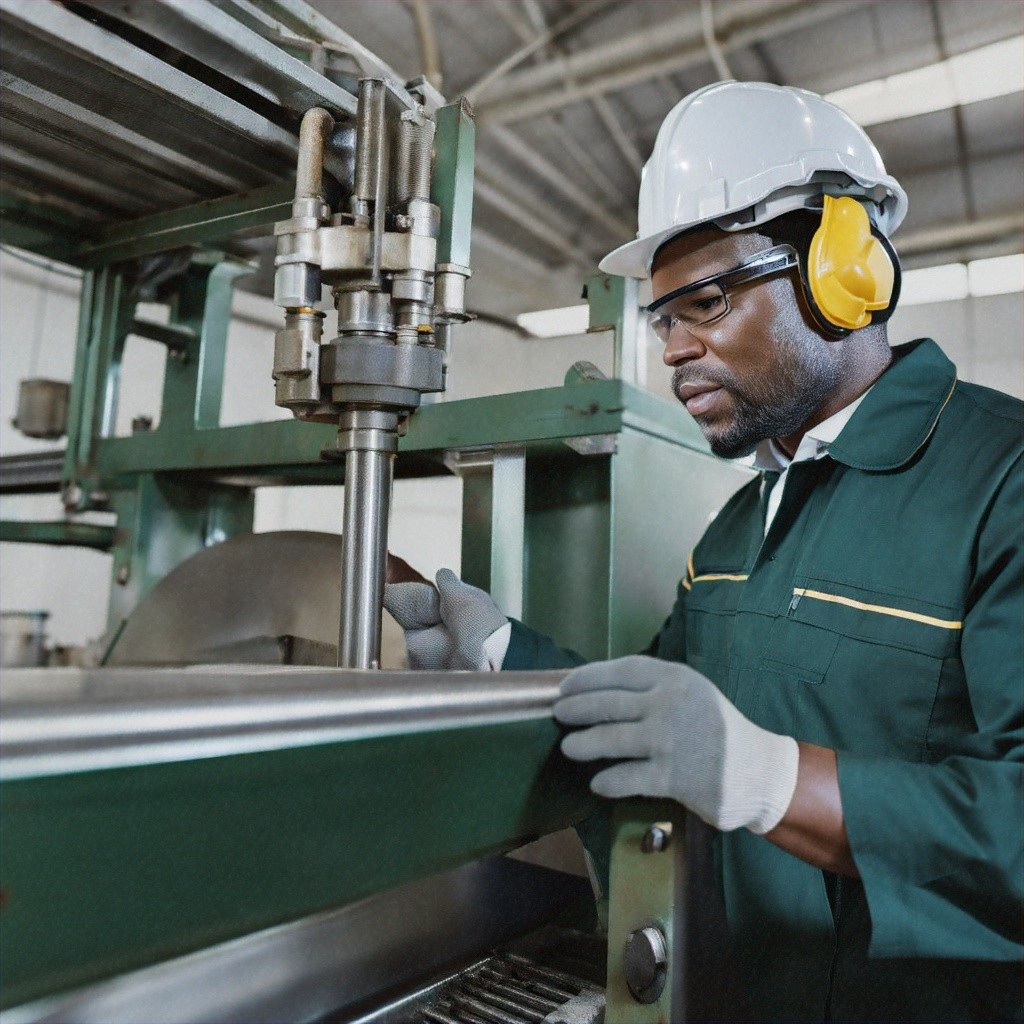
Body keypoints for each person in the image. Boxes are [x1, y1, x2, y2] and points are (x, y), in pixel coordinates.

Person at [384, 81, 1023, 1021]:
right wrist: (494, 652)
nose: (675, 349)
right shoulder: (737, 529)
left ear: (842, 271)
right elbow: (651, 720)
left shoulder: (1001, 481)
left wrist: (765, 777)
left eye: (707, 302)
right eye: (662, 320)